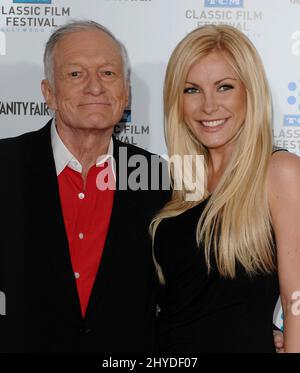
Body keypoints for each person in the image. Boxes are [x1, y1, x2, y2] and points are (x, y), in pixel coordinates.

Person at [0, 20, 170, 353]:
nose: (95, 87)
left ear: (126, 91)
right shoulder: (4, 166)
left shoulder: (159, 176)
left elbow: (189, 288)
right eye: (75, 74)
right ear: (48, 93)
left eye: (108, 73)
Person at [151, 24, 300, 352]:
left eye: (224, 87)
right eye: (192, 90)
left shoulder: (279, 172)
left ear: (251, 92)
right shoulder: (174, 180)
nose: (208, 106)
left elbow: (296, 302)